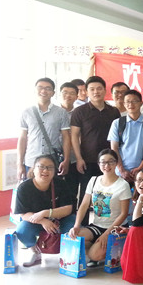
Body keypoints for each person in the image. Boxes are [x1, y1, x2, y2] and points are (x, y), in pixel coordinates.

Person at [69, 149, 132, 265]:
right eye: (103, 162)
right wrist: (76, 225)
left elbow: (124, 214)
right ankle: (100, 248)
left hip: (115, 228)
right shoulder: (94, 180)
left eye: (111, 162)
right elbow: (84, 205)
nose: (106, 166)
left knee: (94, 255)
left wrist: (107, 234)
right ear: (98, 164)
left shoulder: (123, 185)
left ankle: (109, 249)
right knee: (74, 238)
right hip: (97, 225)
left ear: (116, 163)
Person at [13, 155, 77, 267]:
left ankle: (68, 256)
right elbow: (23, 214)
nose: (45, 171)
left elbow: (68, 209)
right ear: (34, 169)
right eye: (41, 167)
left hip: (60, 220)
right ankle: (35, 252)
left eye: (50, 167)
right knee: (22, 230)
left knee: (74, 227)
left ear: (54, 171)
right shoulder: (24, 188)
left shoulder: (61, 184)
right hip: (36, 222)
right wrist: (43, 221)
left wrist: (45, 213)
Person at [70, 76, 121, 207]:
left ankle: (101, 219)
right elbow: (74, 136)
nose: (96, 92)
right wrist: (79, 158)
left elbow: (117, 137)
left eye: (99, 88)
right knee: (86, 195)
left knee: (104, 195)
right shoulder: (79, 111)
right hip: (88, 160)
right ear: (86, 92)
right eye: (92, 89)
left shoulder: (113, 111)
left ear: (105, 90)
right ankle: (83, 219)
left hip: (109, 161)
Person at [17, 78, 71, 181]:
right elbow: (22, 138)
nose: (43, 91)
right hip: (31, 161)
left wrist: (66, 160)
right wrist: (19, 164)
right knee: (30, 190)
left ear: (53, 93)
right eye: (40, 87)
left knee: (53, 189)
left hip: (53, 161)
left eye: (48, 88)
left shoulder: (61, 112)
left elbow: (66, 137)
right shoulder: (26, 112)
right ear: (35, 90)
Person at [108, 89, 143, 184]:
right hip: (120, 173)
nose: (131, 104)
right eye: (127, 101)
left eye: (134, 101)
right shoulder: (117, 123)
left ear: (141, 103)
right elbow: (114, 149)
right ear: (124, 104)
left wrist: (140, 168)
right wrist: (122, 170)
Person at [58, 81, 80, 211]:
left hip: (74, 158)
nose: (68, 96)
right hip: (55, 158)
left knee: (72, 190)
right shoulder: (54, 112)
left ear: (77, 96)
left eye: (72, 93)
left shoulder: (79, 113)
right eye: (65, 92)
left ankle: (71, 217)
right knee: (55, 190)